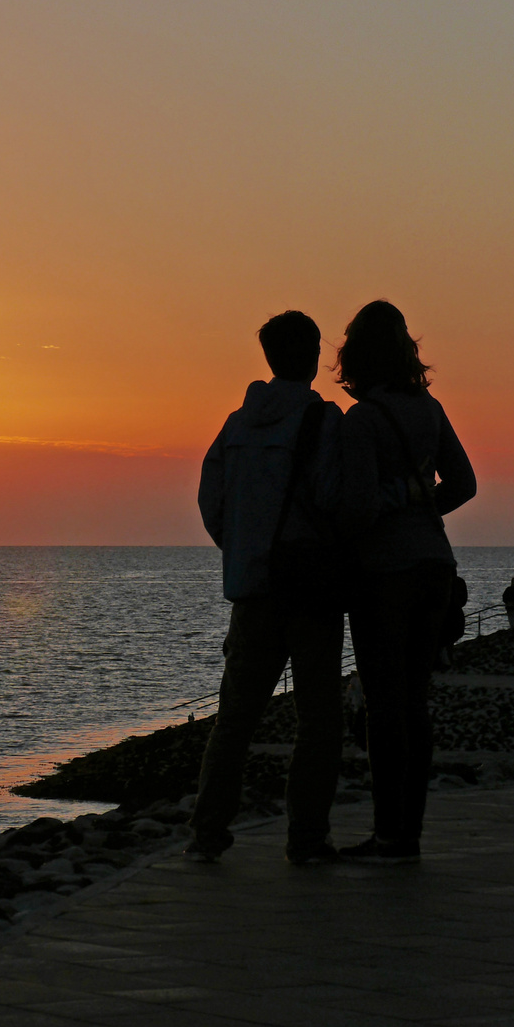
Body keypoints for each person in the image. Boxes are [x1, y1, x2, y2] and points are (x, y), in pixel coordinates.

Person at [191, 310, 346, 867]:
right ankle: (305, 837)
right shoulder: (324, 421)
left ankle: (207, 833)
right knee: (319, 718)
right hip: (310, 589)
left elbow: (211, 503)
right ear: (313, 354)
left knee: (235, 718)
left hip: (252, 589)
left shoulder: (236, 424)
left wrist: (242, 549)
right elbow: (334, 498)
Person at [337, 300, 476, 864]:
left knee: (383, 703)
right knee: (414, 702)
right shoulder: (431, 408)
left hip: (384, 573)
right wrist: (425, 504)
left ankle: (388, 834)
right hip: (435, 565)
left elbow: (357, 508)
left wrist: (396, 503)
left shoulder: (362, 421)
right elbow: (463, 484)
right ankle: (408, 835)